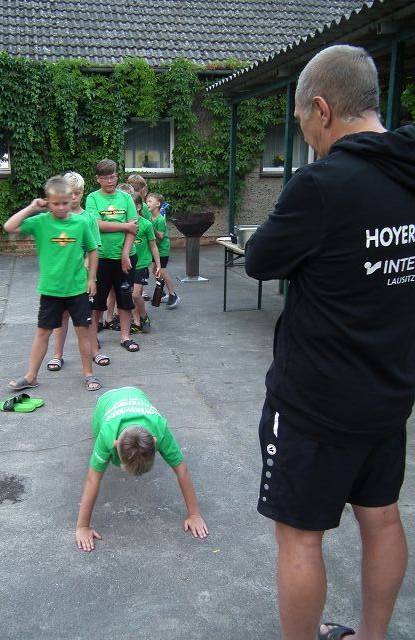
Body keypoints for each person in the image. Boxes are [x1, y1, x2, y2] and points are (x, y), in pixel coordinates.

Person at [244, 44, 415, 640]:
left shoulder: (322, 184)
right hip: (389, 394)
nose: (308, 139)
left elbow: (259, 259)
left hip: (315, 404)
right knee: (382, 519)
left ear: (322, 109)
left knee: (299, 537)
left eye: (303, 125)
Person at [75, 386, 208, 552]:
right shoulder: (107, 434)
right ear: (114, 445)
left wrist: (194, 514)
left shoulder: (159, 428)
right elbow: (92, 479)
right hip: (105, 401)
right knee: (97, 457)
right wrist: (82, 526)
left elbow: (182, 470)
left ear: (155, 441)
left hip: (136, 392)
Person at [4, 175, 102, 391]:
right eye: (56, 203)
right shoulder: (40, 222)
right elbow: (9, 226)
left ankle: (89, 374)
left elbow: (93, 249)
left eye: (65, 202)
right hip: (51, 290)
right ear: (47, 202)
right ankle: (31, 376)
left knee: (83, 332)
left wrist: (91, 278)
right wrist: (32, 208)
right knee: (43, 333)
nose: (61, 207)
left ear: (71, 199)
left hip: (77, 289)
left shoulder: (81, 223)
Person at [84, 159, 140, 353]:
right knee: (97, 301)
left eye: (113, 176)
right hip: (100, 257)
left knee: (125, 297)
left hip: (125, 256)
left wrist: (125, 254)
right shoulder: (92, 198)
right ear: (98, 179)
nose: (110, 181)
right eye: (105, 178)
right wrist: (124, 225)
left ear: (117, 176)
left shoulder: (126, 198)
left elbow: (134, 227)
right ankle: (93, 338)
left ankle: (125, 336)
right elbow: (96, 224)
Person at [47, 171, 93, 371]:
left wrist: (87, 271)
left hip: (80, 278)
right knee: (62, 316)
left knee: (84, 321)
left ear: (83, 193)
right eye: (70, 193)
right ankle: (57, 355)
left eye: (78, 193)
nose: (74, 197)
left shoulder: (88, 219)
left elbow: (93, 249)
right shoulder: (54, 219)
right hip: (59, 279)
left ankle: (93, 353)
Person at [130, 192, 161, 333]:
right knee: (129, 295)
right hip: (128, 264)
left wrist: (158, 264)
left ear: (138, 207)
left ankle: (143, 316)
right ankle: (136, 322)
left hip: (141, 263)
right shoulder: (124, 224)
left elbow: (153, 246)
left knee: (136, 294)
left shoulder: (146, 224)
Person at [146, 192, 180, 309]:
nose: (147, 203)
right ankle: (163, 292)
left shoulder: (159, 220)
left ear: (158, 204)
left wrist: (152, 228)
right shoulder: (150, 218)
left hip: (162, 250)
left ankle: (173, 294)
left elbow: (160, 237)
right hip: (155, 250)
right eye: (147, 201)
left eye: (150, 201)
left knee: (162, 272)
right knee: (154, 270)